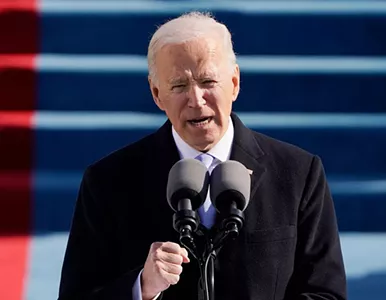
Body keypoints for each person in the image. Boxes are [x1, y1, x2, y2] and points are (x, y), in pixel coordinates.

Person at [58, 11, 347, 300]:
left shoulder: (298, 174)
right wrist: (142, 287)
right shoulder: (107, 182)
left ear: (234, 83)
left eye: (208, 82)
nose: (196, 100)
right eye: (179, 86)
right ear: (157, 93)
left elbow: (326, 294)